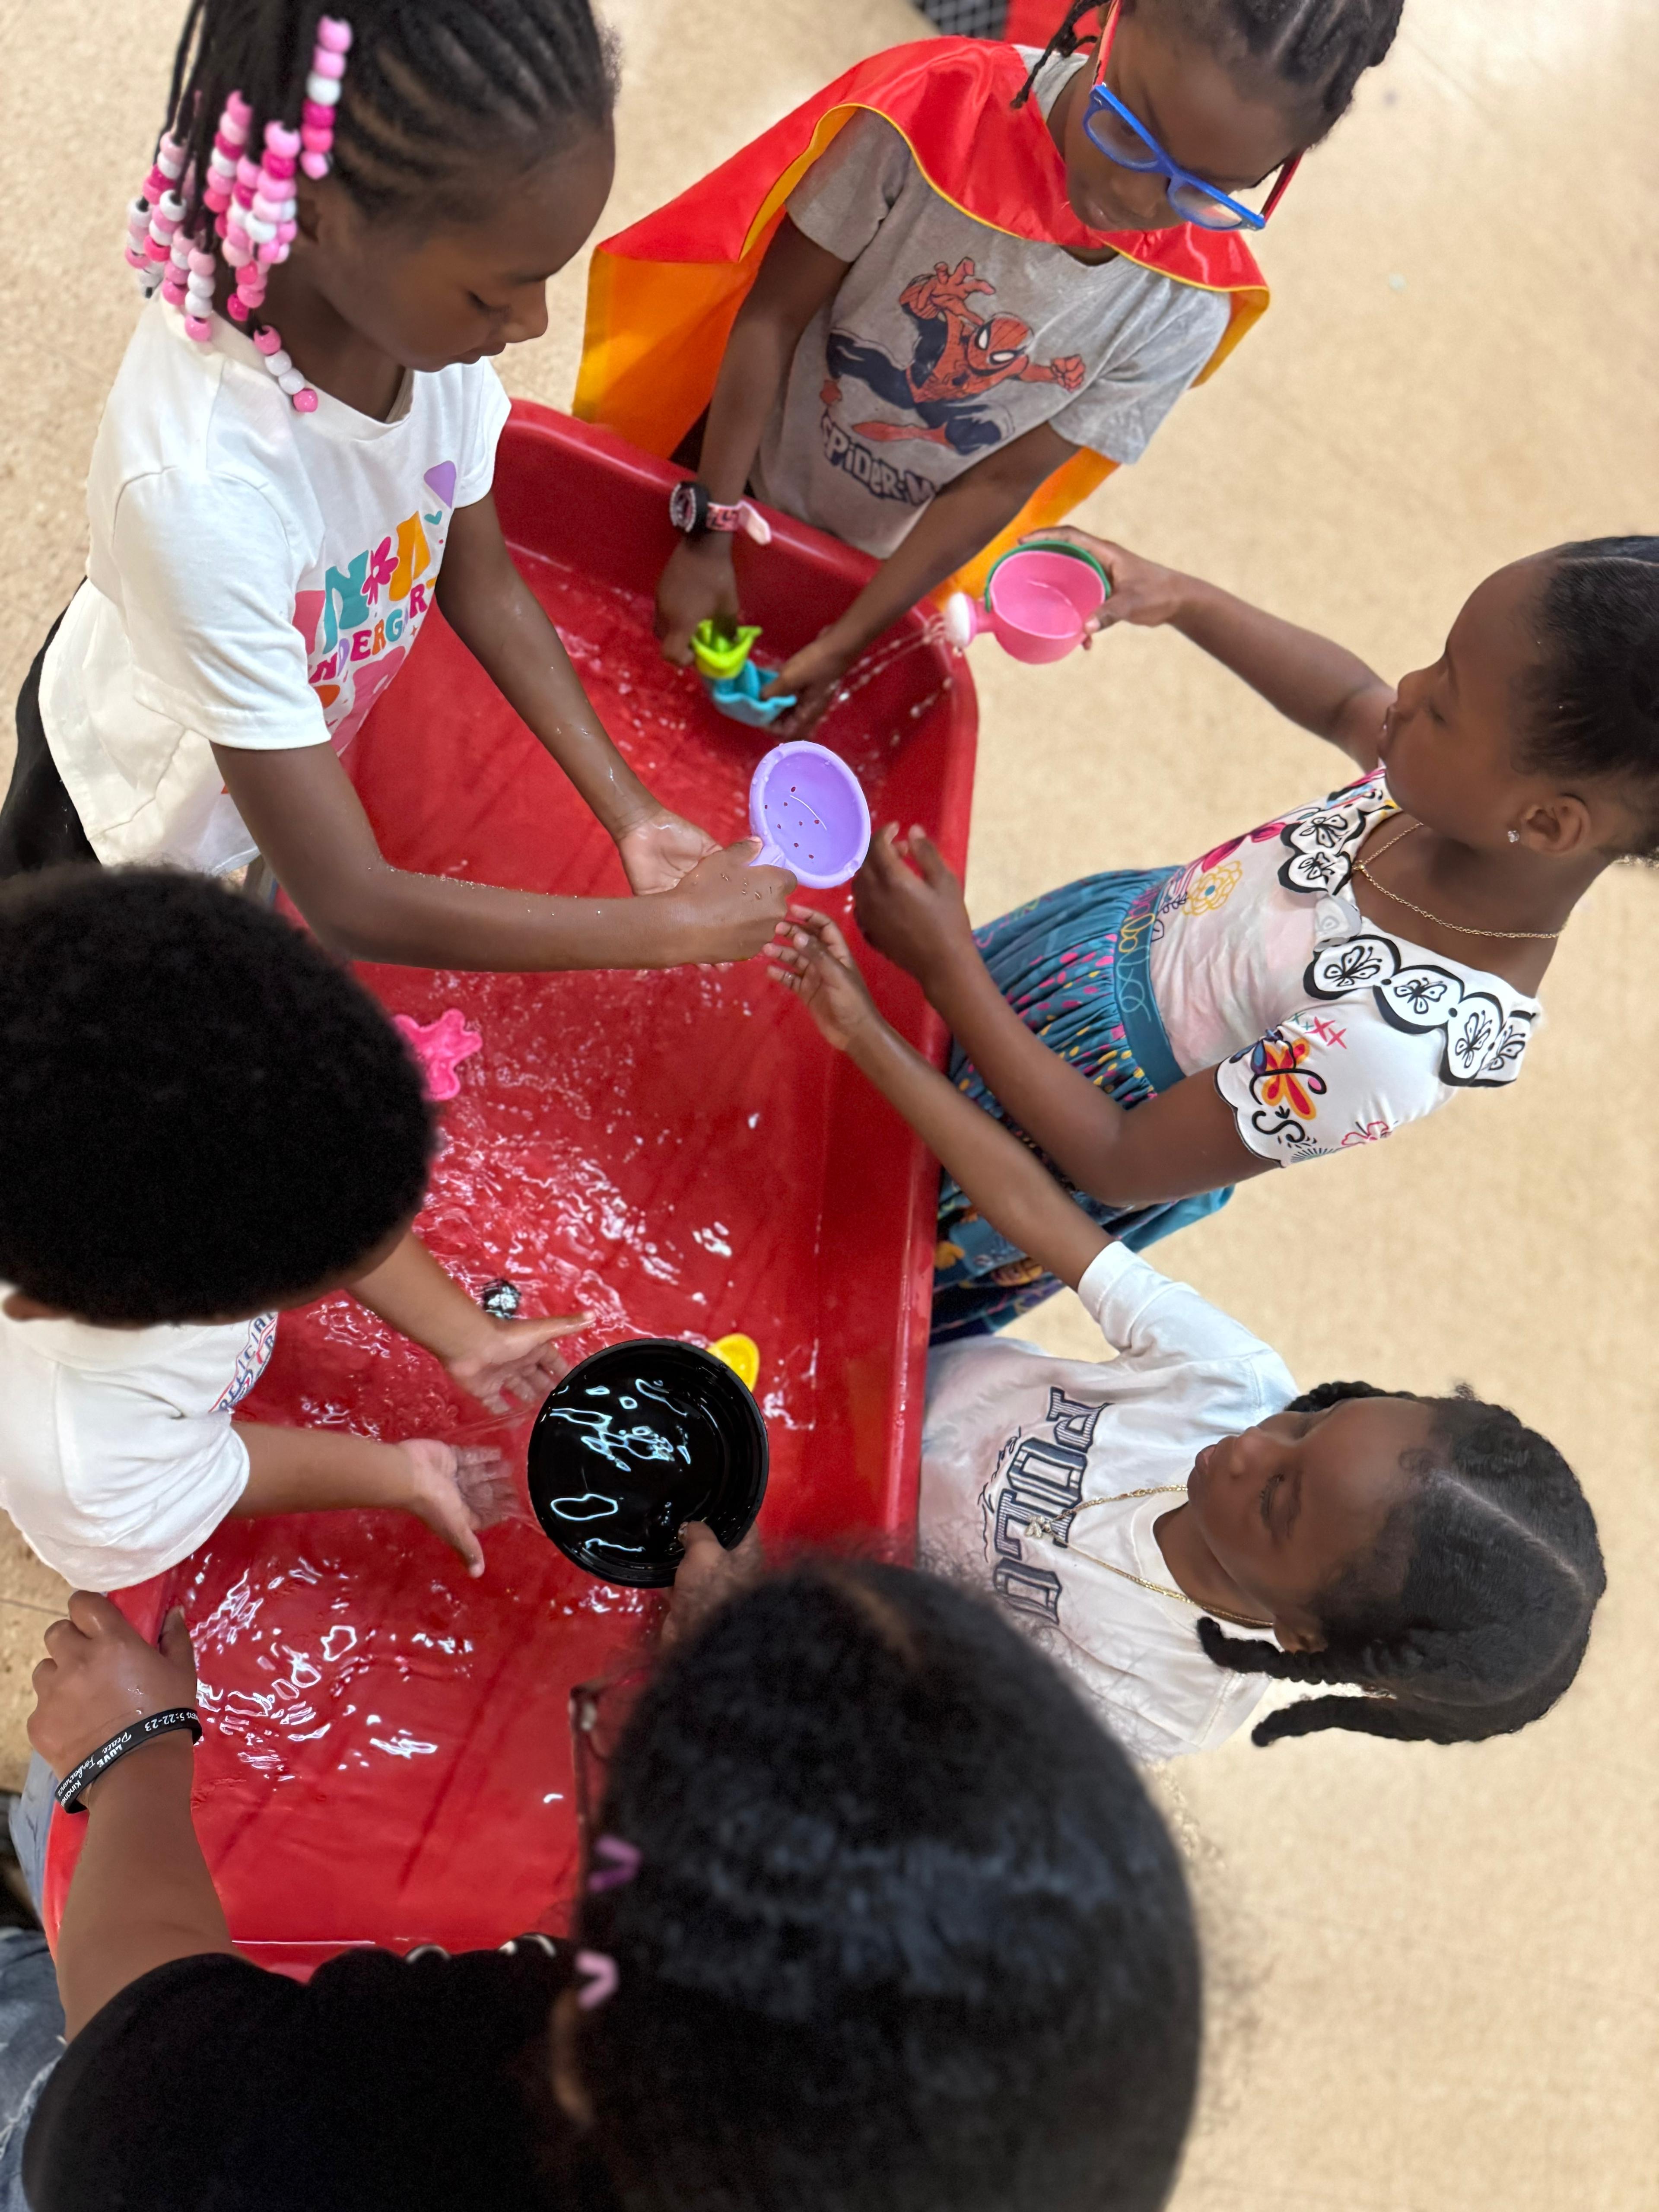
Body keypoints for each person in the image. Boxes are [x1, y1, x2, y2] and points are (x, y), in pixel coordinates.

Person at [6, 1545, 1202, 2212]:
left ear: (589, 2055)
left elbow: (140, 2017)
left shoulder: (227, 2163)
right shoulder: (946, 2141)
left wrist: (135, 1749)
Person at [0, 0, 795, 972]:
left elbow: (484, 584)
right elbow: (351, 900)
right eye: (496, 290)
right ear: (321, 216)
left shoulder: (429, 348)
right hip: (123, 809)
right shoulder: (201, 495)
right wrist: (670, 932)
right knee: (57, 979)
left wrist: (632, 813)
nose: (535, 323)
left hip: (269, 771)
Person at [769, 909, 1607, 1762]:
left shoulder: (1164, 1703)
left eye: (1277, 1499)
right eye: (1310, 1421)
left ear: (1304, 1635)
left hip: (802, 1575)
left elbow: (916, 1729)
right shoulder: (1230, 1382)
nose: (1250, 1447)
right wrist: (865, 1033)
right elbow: (1034, 1210)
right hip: (839, 1376)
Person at [849, 531, 1659, 1335]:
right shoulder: (1443, 796)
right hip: (1050, 976)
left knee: (856, 1196)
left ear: (1547, 823)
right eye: (1437, 661)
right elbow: (1347, 698)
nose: (1409, 690)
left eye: (1444, 704)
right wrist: (1182, 597)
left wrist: (949, 970)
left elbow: (1118, 1159)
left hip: (1036, 1133)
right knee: (844, 1069)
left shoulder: (1395, 1040)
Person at [575, 0, 1402, 730]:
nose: (1137, 200)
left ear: (1280, 173)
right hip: (728, 464)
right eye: (1126, 128)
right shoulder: (931, 114)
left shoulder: (1187, 306)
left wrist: (853, 637)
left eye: (1205, 192)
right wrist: (710, 529)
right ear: (1112, 16)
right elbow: (772, 317)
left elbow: (1000, 483)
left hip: (876, 555)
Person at [0, 867, 585, 1592]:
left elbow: (326, 1194)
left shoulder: (140, 1173)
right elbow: (195, 1478)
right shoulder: (84, 1468)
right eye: (318, 1272)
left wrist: (466, 1334)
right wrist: (402, 1474)